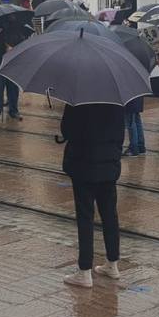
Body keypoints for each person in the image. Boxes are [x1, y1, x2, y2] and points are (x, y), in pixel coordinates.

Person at [59, 103, 124, 288]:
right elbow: (120, 132)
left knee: (85, 217)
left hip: (84, 164)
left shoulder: (78, 100)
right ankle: (113, 264)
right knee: (110, 215)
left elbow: (67, 130)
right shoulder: (117, 100)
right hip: (109, 165)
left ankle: (84, 271)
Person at [0, 26, 22, 121]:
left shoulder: (17, 28)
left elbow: (22, 43)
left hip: (13, 62)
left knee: (13, 89)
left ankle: (13, 111)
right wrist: (3, 46)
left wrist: (13, 47)